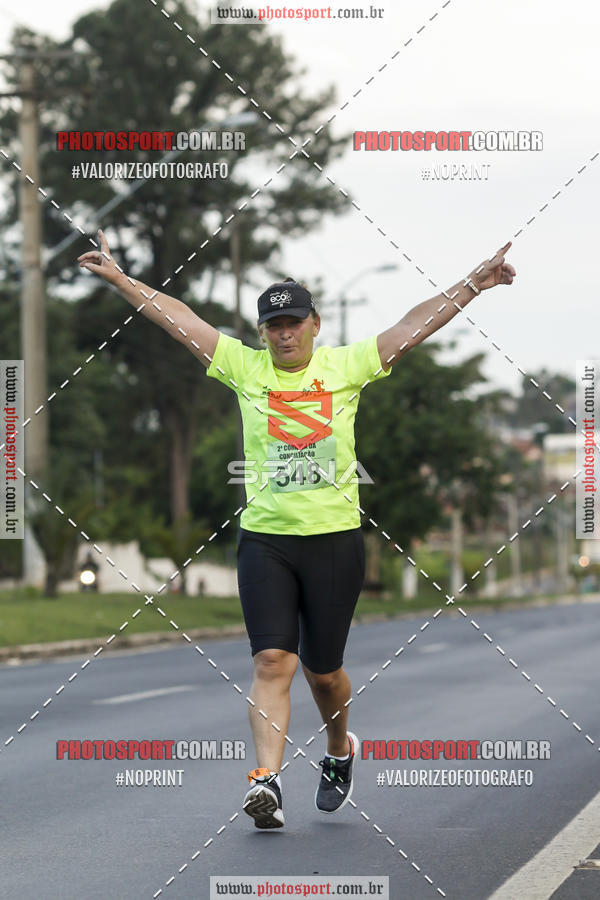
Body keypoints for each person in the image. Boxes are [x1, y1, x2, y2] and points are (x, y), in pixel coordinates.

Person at [78, 230, 516, 829]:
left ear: (314, 325)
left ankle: (340, 749)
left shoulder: (347, 367)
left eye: (293, 323)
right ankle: (266, 781)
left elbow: (416, 324)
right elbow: (178, 318)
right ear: (262, 332)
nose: (283, 333)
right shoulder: (243, 367)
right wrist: (124, 281)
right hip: (266, 539)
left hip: (335, 540)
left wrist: (476, 282)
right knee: (271, 661)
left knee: (324, 673)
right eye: (272, 325)